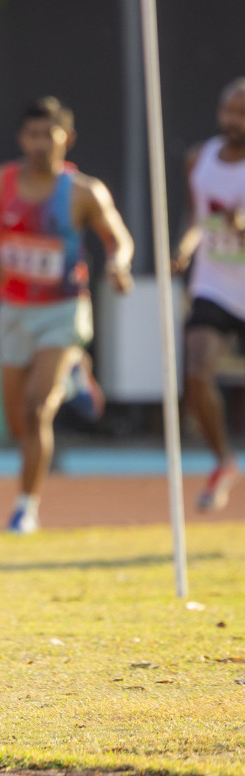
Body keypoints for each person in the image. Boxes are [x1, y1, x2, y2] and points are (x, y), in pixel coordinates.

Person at [0, 97, 134, 534]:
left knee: (38, 411)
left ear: (66, 139)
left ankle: (25, 508)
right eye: (32, 135)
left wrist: (118, 265)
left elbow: (119, 240)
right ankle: (75, 372)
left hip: (63, 310)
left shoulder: (83, 192)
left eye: (48, 135)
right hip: (15, 311)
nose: (39, 144)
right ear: (22, 138)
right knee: (18, 419)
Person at [171, 78, 245, 511]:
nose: (232, 121)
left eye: (241, 114)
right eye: (228, 112)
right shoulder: (200, 159)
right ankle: (222, 461)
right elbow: (195, 219)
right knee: (197, 367)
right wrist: (183, 247)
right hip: (215, 285)